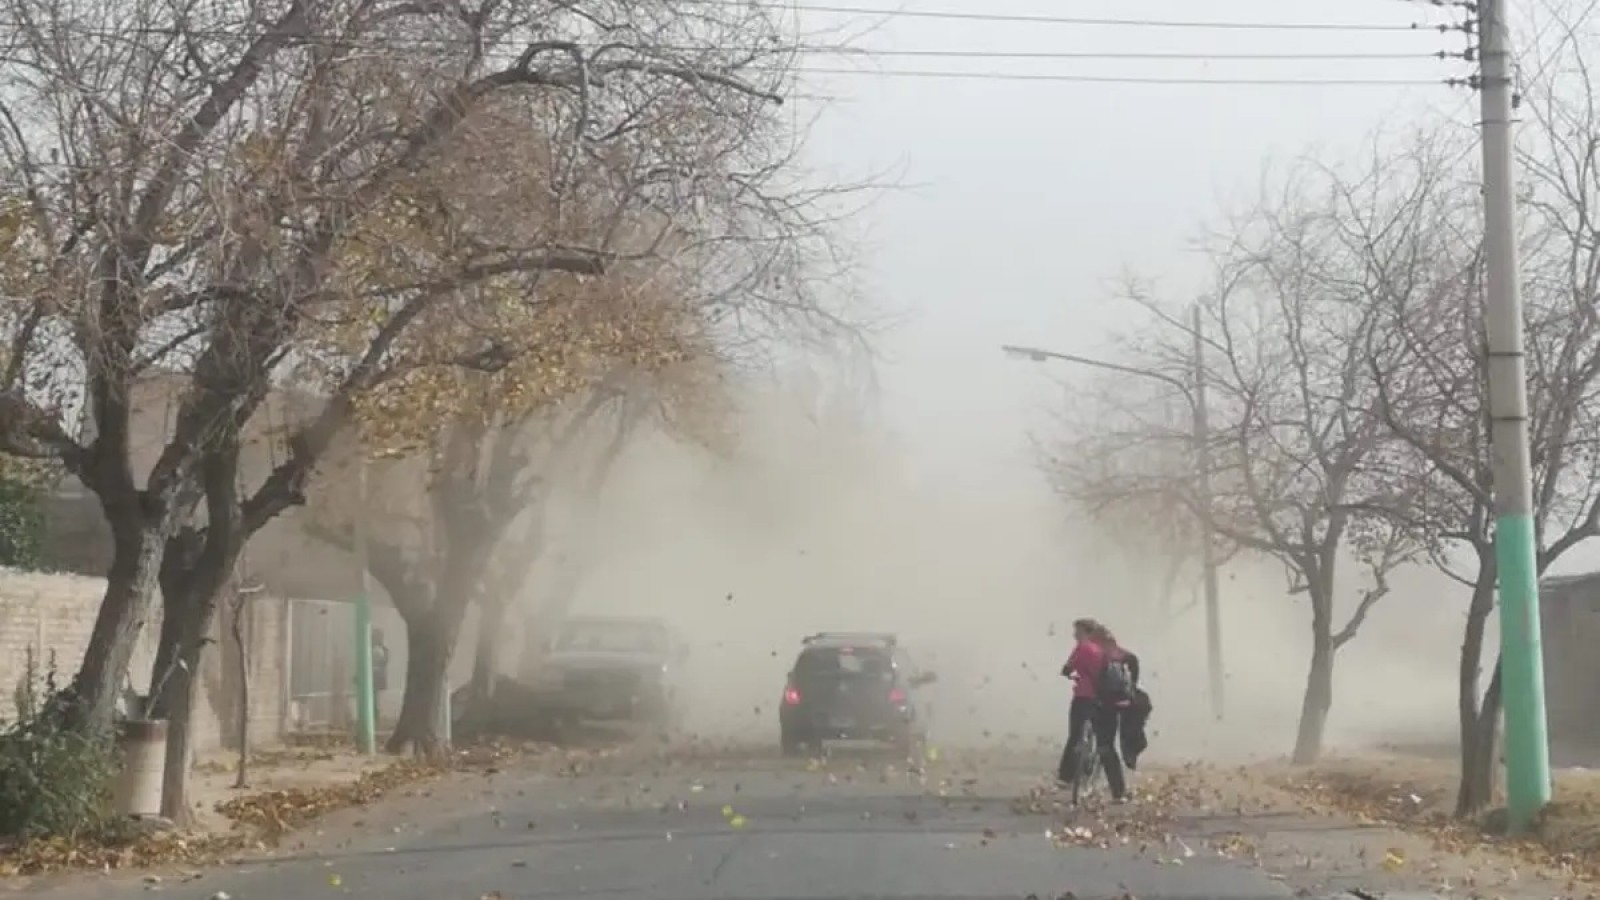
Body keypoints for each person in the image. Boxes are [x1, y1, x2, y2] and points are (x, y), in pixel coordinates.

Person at [1056, 618, 1130, 803]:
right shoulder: (1110, 650)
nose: (1075, 635)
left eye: (1077, 631)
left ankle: (1065, 777)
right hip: (1109, 701)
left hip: (1085, 698)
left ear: (1086, 632)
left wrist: (1069, 673)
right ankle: (1119, 792)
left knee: (1075, 736)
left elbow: (1067, 669)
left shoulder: (1083, 648)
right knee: (1106, 747)